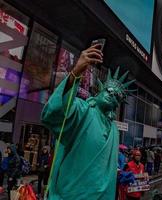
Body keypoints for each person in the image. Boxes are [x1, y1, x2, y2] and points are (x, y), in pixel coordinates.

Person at [41, 44, 134, 199]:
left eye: (117, 97)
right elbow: (55, 113)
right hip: (72, 195)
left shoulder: (114, 130)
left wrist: (118, 174)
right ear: (100, 91)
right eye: (110, 92)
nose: (113, 96)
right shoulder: (83, 109)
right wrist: (75, 72)